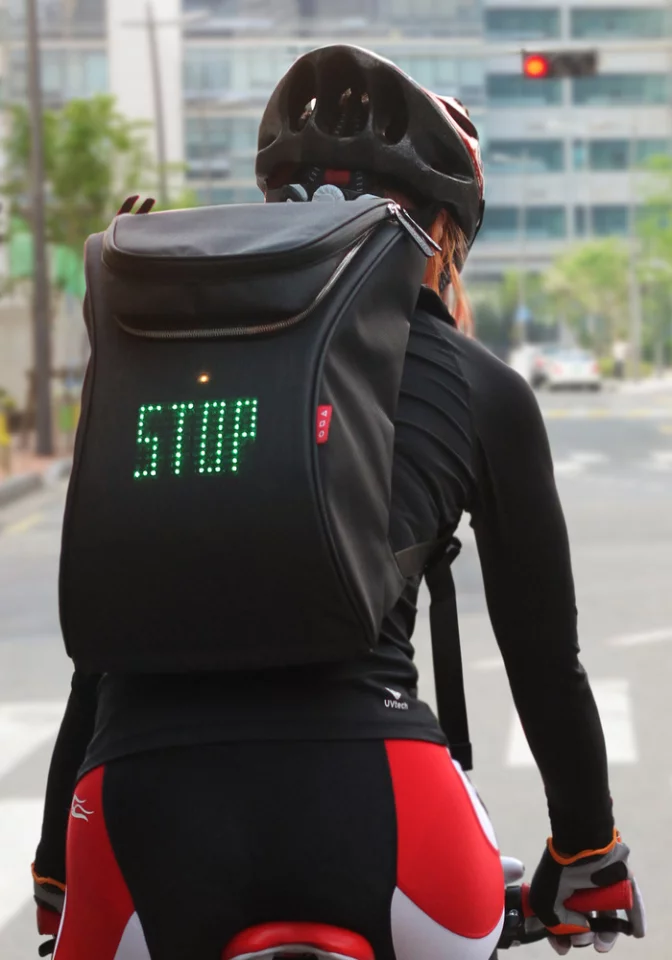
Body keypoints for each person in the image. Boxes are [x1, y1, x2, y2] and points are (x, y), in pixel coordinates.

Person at [33, 46, 643, 960]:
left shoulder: (165, 365)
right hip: (385, 807)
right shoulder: (482, 386)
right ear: (441, 239)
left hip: (133, 817)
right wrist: (589, 857)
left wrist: (55, 878)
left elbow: (109, 650)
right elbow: (545, 666)